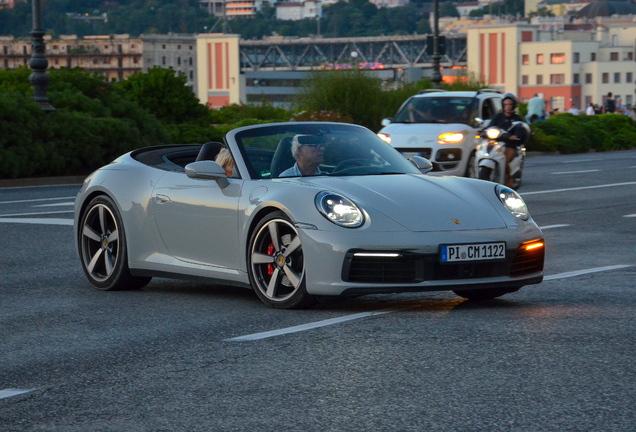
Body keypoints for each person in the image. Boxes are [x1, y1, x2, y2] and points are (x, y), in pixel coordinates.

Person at [488, 93, 526, 188]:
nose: (508, 107)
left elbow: (520, 130)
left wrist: (515, 135)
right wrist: (483, 131)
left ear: (513, 106)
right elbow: (490, 127)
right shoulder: (498, 117)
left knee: (503, 158)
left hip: (510, 144)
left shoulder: (516, 118)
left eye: (510, 105)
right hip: (497, 143)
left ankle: (509, 178)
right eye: (506, 105)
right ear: (503, 105)